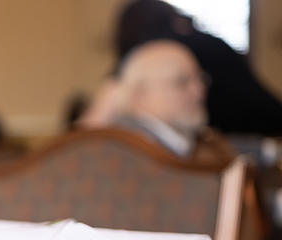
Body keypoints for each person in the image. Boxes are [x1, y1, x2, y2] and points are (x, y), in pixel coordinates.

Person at [115, 0, 282, 137]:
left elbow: (105, 108)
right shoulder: (201, 43)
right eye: (181, 83)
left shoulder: (170, 48)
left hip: (254, 127)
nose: (199, 90)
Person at [111, 39, 209, 159]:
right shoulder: (126, 153)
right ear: (140, 95)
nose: (199, 92)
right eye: (181, 82)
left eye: (200, 78)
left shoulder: (201, 144)